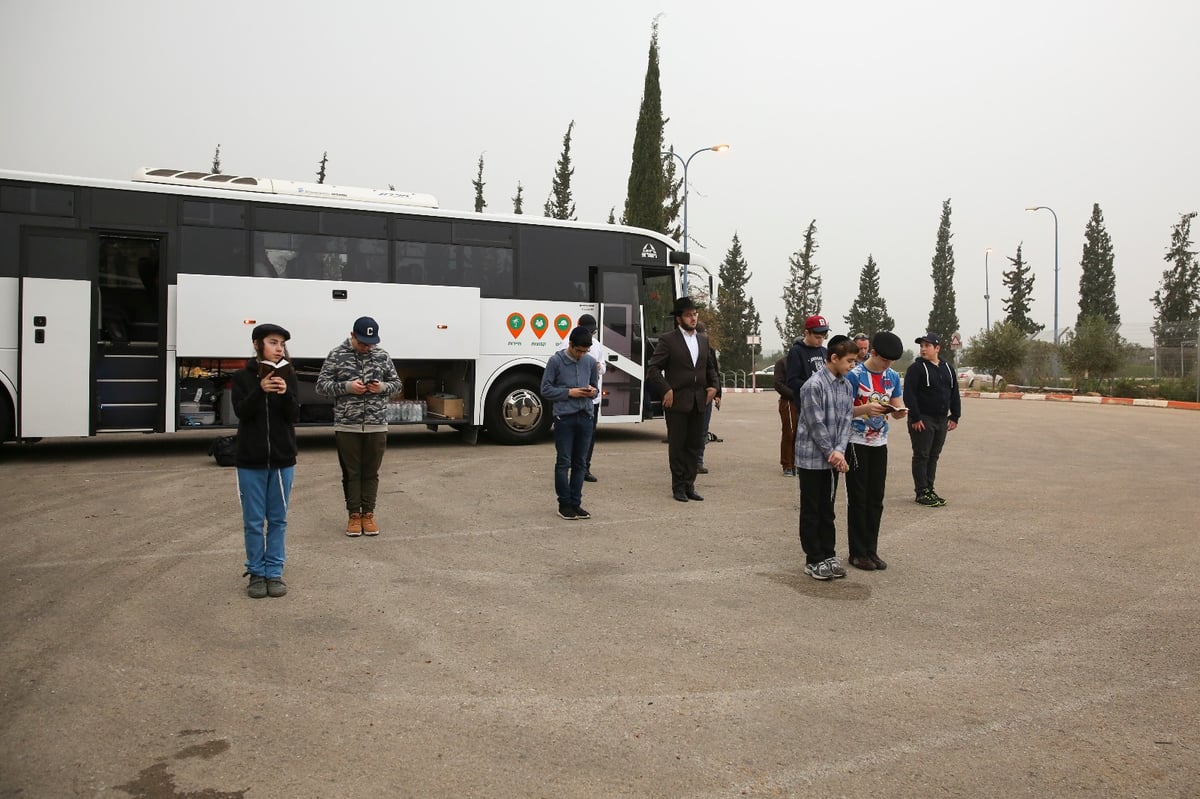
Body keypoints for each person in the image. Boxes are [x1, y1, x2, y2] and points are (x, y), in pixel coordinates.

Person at [316, 316, 403, 536]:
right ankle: (354, 515)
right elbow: (321, 386)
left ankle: (369, 515)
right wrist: (347, 387)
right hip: (347, 425)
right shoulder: (336, 355)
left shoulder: (382, 355)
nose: (367, 347)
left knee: (371, 473)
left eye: (370, 343)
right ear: (352, 335)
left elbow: (397, 384)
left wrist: (381, 387)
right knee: (352, 473)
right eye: (363, 342)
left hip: (376, 424)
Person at [232, 323, 299, 599]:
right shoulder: (242, 377)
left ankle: (274, 572)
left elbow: (294, 416)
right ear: (258, 344)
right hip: (250, 459)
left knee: (278, 519)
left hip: (283, 459)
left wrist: (285, 394)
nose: (279, 348)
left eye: (281, 343)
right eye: (273, 342)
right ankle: (256, 572)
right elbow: (241, 413)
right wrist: (260, 389)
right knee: (253, 520)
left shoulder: (289, 375)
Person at [795, 334, 859, 580]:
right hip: (812, 459)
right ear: (834, 358)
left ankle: (828, 554)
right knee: (812, 508)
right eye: (850, 361)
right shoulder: (813, 385)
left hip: (834, 458)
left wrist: (840, 450)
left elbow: (846, 421)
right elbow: (815, 423)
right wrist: (830, 450)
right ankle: (813, 559)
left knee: (828, 509)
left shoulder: (846, 386)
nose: (852, 366)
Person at [646, 297, 719, 502]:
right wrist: (666, 389)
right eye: (688, 315)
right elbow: (653, 369)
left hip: (699, 401)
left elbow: (710, 367)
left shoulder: (703, 340)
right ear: (679, 319)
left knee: (695, 444)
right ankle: (678, 486)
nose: (693, 318)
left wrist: (714, 386)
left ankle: (689, 485)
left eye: (695, 314)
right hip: (677, 401)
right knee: (678, 446)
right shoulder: (668, 340)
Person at [845, 331, 907, 571]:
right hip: (856, 442)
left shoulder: (892, 376)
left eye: (892, 362)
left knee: (876, 499)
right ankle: (857, 552)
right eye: (884, 360)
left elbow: (898, 404)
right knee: (858, 499)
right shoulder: (854, 376)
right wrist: (865, 409)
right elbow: (843, 410)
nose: (888, 365)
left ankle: (871, 549)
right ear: (873, 353)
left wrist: (900, 412)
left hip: (880, 442)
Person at [541, 326, 599, 520]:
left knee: (580, 463)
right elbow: (545, 389)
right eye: (578, 350)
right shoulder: (556, 361)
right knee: (563, 462)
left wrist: (592, 391)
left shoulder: (590, 362)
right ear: (571, 344)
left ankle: (576, 503)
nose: (581, 355)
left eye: (585, 351)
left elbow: (596, 389)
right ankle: (564, 504)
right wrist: (569, 392)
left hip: (585, 416)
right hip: (564, 418)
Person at [903, 332, 961, 507]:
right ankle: (921, 491)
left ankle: (930, 487)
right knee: (922, 455)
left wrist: (955, 415)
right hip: (922, 419)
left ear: (937, 348)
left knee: (933, 456)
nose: (923, 349)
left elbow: (954, 393)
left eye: (927, 346)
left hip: (941, 419)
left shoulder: (948, 369)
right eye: (921, 346)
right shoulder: (916, 369)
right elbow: (909, 394)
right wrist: (915, 417)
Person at [576, 313, 605, 483]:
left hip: (592, 399)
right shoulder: (567, 343)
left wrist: (599, 366)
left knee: (589, 434)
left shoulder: (597, 345)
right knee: (574, 434)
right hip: (574, 397)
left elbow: (603, 368)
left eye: (592, 333)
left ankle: (585, 467)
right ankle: (573, 466)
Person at [784, 314, 831, 406]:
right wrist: (815, 386)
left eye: (823, 337)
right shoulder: (796, 351)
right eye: (817, 337)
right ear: (807, 333)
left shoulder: (824, 351)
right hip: (807, 405)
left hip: (825, 403)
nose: (821, 340)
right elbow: (792, 381)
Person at [695, 320, 722, 474]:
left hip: (707, 395)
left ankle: (698, 460)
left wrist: (717, 394)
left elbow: (715, 374)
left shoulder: (709, 351)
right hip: (691, 394)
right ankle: (690, 460)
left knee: (703, 430)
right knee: (693, 430)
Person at [773, 352, 799, 476]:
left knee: (800, 434)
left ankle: (796, 463)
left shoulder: (804, 362)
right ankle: (787, 464)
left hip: (803, 401)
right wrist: (794, 394)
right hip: (788, 401)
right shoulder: (782, 363)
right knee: (789, 432)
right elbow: (778, 384)